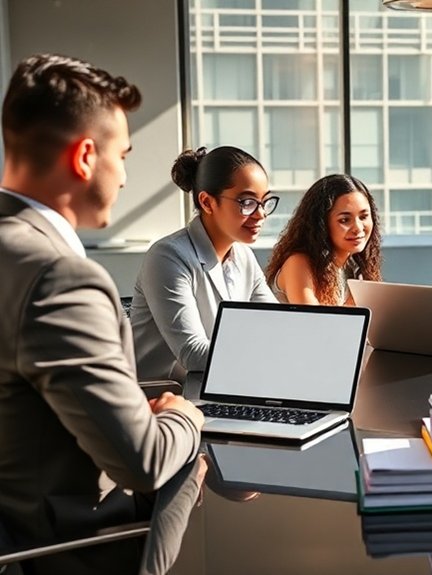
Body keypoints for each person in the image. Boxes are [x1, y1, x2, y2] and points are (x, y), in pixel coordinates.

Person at [0, 53, 204, 570]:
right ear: (86, 156)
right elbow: (144, 461)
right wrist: (186, 416)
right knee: (197, 467)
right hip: (75, 547)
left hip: (18, 517)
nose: (124, 177)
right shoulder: (58, 276)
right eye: (125, 156)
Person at [131, 146, 277, 381]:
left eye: (264, 201)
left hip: (223, 387)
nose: (261, 214)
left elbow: (277, 324)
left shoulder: (243, 256)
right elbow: (192, 353)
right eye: (247, 202)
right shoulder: (167, 256)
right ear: (207, 202)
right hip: (164, 397)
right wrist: (272, 354)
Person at [265, 174, 382, 305]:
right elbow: (314, 322)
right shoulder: (298, 263)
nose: (358, 228)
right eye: (344, 220)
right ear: (321, 224)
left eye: (363, 216)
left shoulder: (353, 268)